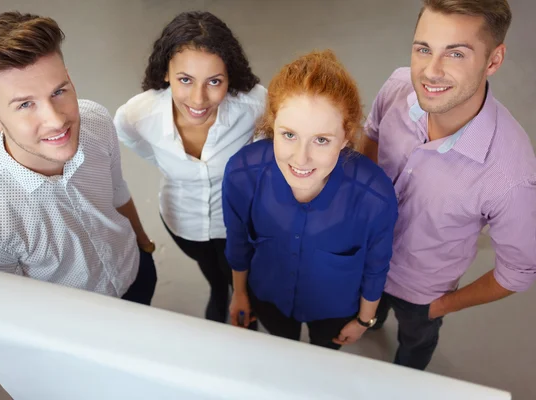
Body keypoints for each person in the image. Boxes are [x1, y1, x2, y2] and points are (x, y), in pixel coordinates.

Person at [361, 0, 536, 370]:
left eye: (456, 54)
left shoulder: (512, 176)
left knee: (415, 342)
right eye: (423, 48)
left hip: (421, 291)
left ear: (493, 60)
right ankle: (372, 319)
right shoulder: (397, 86)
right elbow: (372, 134)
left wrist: (440, 306)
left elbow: (517, 272)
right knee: (368, 312)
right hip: (363, 257)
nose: (431, 71)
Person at [0, 11, 157, 305]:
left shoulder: (94, 120)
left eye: (59, 91)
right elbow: (11, 306)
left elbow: (117, 190)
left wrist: (143, 244)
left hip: (135, 270)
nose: (56, 120)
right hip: (76, 322)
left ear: (69, 78)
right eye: (25, 105)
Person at [224, 50, 398, 349]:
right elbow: (238, 243)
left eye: (321, 140)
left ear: (346, 137)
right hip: (269, 297)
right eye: (289, 135)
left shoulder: (375, 197)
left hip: (335, 312)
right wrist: (240, 293)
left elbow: (376, 265)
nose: (301, 158)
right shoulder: (242, 173)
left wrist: (363, 321)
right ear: (272, 125)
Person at [114, 11, 266, 322]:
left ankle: (236, 292)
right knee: (212, 271)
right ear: (166, 72)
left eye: (214, 81)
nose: (199, 99)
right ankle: (220, 289)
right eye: (185, 80)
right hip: (182, 221)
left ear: (230, 77)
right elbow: (134, 140)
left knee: (241, 276)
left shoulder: (255, 105)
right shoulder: (137, 114)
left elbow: (267, 152)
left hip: (238, 222)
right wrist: (169, 164)